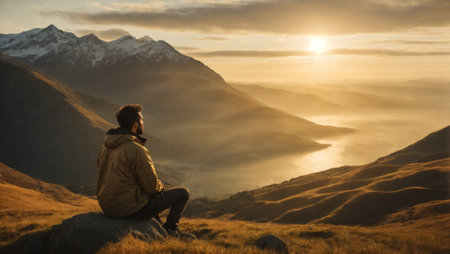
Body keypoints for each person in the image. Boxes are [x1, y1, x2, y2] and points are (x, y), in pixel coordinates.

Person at [97, 104, 193, 238]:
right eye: (142, 120)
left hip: (107, 206)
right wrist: (162, 188)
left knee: (149, 196)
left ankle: (159, 227)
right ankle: (170, 230)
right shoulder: (136, 149)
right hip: (129, 209)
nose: (143, 123)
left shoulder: (106, 147)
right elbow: (151, 187)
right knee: (183, 193)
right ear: (135, 124)